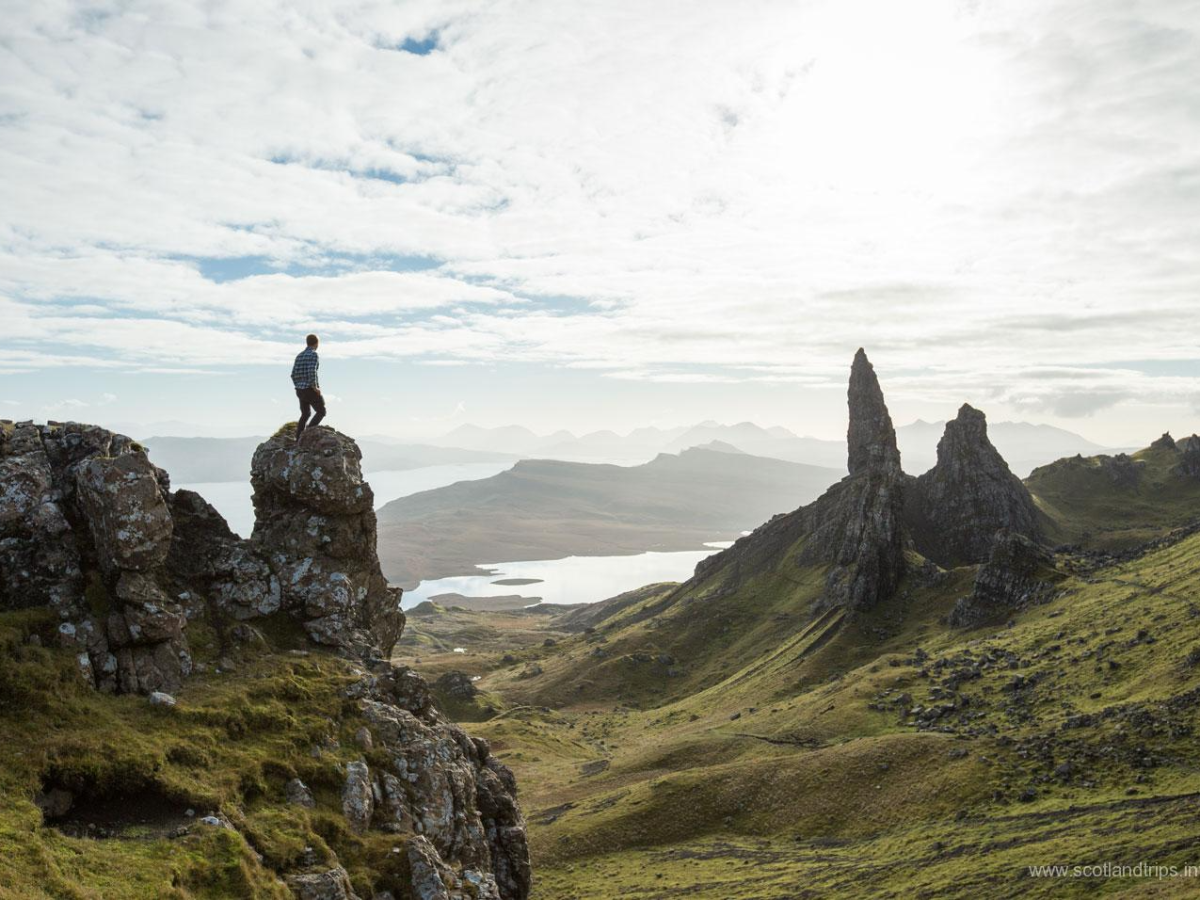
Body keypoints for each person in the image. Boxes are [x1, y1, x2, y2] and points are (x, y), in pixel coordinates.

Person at [291, 334, 325, 441]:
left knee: (305, 414)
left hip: (300, 390)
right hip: (309, 389)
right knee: (321, 411)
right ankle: (308, 434)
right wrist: (315, 387)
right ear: (316, 343)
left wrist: (297, 385)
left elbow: (293, 374)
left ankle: (298, 438)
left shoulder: (299, 356)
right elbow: (312, 371)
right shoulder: (313, 355)